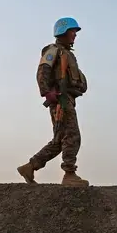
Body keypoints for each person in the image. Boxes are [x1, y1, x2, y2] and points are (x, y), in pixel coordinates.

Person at [17, 17, 89, 187]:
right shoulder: (53, 50)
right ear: (63, 32)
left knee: (59, 140)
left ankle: (30, 166)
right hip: (60, 99)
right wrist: (47, 92)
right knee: (72, 136)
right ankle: (69, 174)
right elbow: (43, 70)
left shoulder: (66, 53)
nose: (74, 35)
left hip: (66, 98)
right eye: (72, 31)